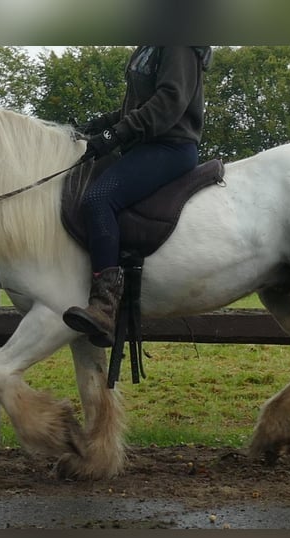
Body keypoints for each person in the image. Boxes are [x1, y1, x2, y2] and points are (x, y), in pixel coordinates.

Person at [63, 46, 212, 348]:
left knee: (99, 199)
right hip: (145, 146)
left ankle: (105, 306)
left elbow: (170, 101)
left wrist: (116, 135)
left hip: (169, 147)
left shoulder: (177, 43)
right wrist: (101, 125)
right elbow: (138, 105)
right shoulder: (150, 45)